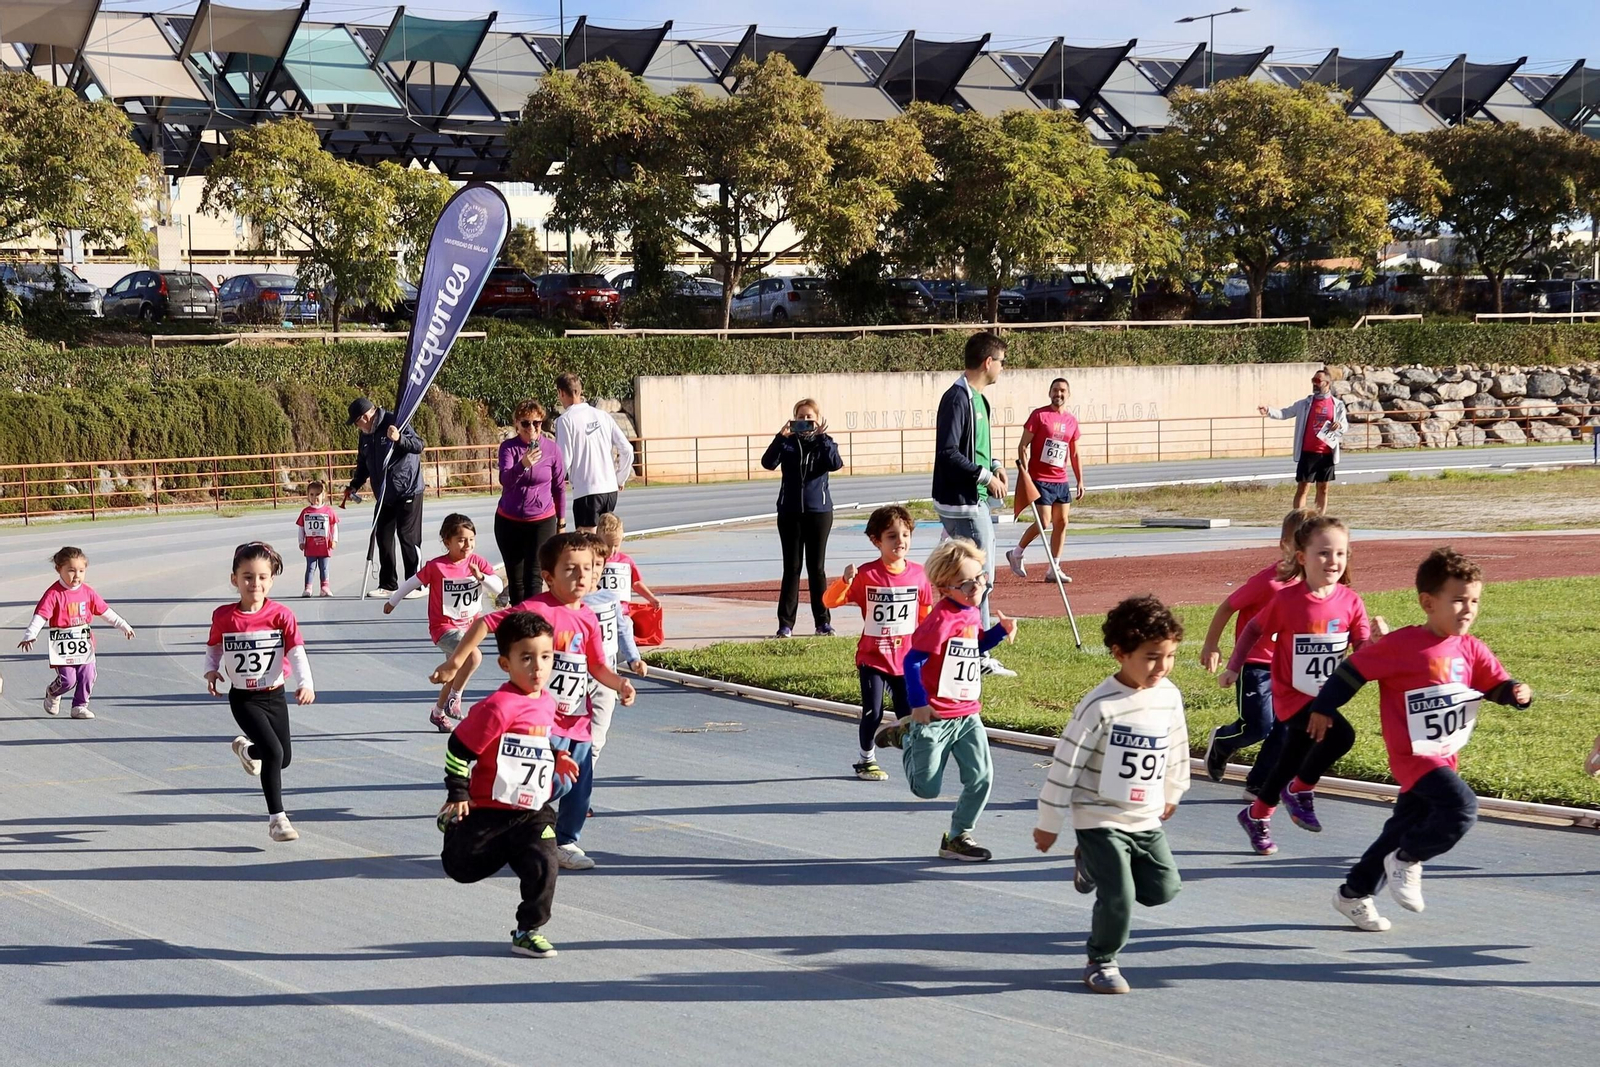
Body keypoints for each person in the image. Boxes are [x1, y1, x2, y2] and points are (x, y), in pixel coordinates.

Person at [1320, 548, 1532, 931]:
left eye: (1474, 601)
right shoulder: (1402, 646)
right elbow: (1351, 671)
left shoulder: (1470, 648)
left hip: (1444, 754)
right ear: (1427, 602)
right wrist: (1323, 708)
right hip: (1413, 755)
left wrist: (1515, 692)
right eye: (1457, 600)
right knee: (1461, 809)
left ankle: (1353, 894)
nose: (1467, 609)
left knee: (1403, 825)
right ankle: (1408, 859)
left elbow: (1494, 684)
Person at [431, 532, 637, 872]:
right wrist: (455, 662)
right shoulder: (535, 610)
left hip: (577, 719)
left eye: (588, 568)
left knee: (579, 785)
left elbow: (597, 664)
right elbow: (485, 622)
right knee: (542, 782)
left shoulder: (587, 617)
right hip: (539, 720)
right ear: (548, 576)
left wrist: (620, 684)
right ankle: (494, 819)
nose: (582, 576)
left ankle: (566, 841)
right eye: (570, 569)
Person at [1033, 594, 1190, 995]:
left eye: (1169, 656)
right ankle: (1101, 961)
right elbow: (1065, 765)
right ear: (1120, 653)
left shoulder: (1168, 696)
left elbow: (1176, 745)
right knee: (1118, 895)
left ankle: (1088, 864)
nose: (1162, 666)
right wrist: (1049, 824)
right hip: (1098, 816)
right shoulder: (1099, 706)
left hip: (1144, 815)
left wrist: (1174, 789)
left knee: (1162, 889)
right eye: (1152, 656)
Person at [1221, 515, 1383, 856]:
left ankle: (1257, 815)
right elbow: (1252, 629)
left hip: (1323, 695)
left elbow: (1362, 651)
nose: (1333, 561)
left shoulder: (1351, 602)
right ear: (1302, 558)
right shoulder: (1287, 600)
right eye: (1324, 553)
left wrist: (1379, 641)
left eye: (1340, 553)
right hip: (1291, 696)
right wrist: (1234, 667)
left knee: (1288, 760)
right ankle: (1301, 790)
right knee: (1342, 736)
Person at [438, 610, 581, 959]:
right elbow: (458, 749)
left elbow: (534, 739)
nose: (538, 668)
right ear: (505, 663)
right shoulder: (497, 707)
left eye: (546, 657)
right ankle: (454, 827)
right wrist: (458, 793)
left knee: (545, 866)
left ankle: (527, 930)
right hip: (487, 809)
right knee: (462, 869)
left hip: (531, 811)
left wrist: (556, 755)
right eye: (527, 658)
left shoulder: (546, 701)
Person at [874, 537, 1015, 862]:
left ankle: (957, 837)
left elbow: (974, 647)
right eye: (966, 584)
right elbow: (912, 660)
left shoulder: (970, 612)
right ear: (944, 587)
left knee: (981, 778)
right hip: (933, 716)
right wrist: (918, 703)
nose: (976, 587)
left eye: (980, 578)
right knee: (926, 789)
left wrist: (999, 632)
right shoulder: (940, 620)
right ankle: (906, 734)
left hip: (967, 716)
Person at [1198, 509, 1315, 794]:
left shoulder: (1313, 586)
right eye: (1299, 546)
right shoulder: (1269, 582)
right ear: (1284, 546)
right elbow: (1228, 606)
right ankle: (1224, 741)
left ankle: (1260, 782)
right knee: (1259, 726)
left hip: (1289, 667)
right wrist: (1211, 644)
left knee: (1286, 728)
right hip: (1255, 664)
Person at [205, 542, 315, 843]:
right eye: (247, 577)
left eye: (262, 577)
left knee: (283, 758)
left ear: (271, 580)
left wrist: (305, 683)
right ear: (234, 579)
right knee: (274, 753)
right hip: (244, 698)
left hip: (275, 695)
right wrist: (211, 670)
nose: (255, 583)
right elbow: (214, 646)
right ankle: (277, 820)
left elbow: (296, 650)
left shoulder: (281, 615)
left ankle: (246, 750)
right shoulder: (225, 616)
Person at [822, 504, 935, 781]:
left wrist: (930, 649)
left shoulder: (919, 575)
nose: (901, 542)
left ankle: (913, 759)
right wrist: (844, 582)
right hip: (873, 658)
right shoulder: (867, 574)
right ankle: (866, 760)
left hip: (906, 661)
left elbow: (925, 615)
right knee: (873, 711)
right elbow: (830, 601)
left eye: (905, 535)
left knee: (909, 715)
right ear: (876, 541)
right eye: (892, 536)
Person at [932, 332, 1014, 677]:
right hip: (962, 502)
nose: (1003, 369)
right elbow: (949, 454)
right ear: (988, 362)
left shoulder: (980, 400)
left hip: (975, 498)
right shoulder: (957, 398)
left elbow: (979, 445)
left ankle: (967, 647)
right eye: (1002, 362)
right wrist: (985, 477)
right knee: (979, 578)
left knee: (976, 577)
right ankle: (976, 655)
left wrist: (995, 464)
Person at [385, 514, 505, 732]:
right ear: (446, 542)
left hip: (469, 629)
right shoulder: (437, 566)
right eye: (461, 540)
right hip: (444, 629)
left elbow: (498, 588)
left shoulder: (477, 562)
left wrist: (482, 578)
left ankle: (438, 713)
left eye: (471, 539)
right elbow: (412, 582)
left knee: (454, 671)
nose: (467, 545)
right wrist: (393, 601)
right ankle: (454, 699)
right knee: (474, 656)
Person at [18, 546, 136, 719]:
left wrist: (123, 625)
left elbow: (104, 611)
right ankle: (53, 692)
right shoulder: (53, 594)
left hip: (84, 643)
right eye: (71, 570)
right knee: (68, 680)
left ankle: (79, 706)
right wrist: (31, 634)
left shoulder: (88, 592)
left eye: (81, 571)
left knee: (88, 675)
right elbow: (41, 615)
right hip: (62, 645)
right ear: (59, 569)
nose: (77, 575)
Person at [761, 398, 844, 638]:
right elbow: (768, 463)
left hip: (819, 513)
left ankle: (823, 623)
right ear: (794, 419)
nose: (805, 422)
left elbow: (835, 464)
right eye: (801, 417)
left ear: (818, 420)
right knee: (792, 568)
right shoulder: (787, 444)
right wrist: (780, 437)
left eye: (810, 418)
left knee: (816, 569)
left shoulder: (825, 443)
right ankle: (785, 625)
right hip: (790, 513)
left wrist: (822, 439)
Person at [341, 396, 426, 598]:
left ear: (365, 416)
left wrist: (399, 439)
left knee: (408, 537)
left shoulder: (395, 420)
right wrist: (354, 485)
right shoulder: (366, 434)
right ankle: (388, 584)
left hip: (408, 489)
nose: (356, 426)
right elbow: (364, 463)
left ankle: (417, 584)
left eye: (356, 422)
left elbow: (419, 445)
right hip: (384, 493)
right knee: (383, 536)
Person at [1007, 377, 1083, 583]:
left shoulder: (1071, 421)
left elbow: (1074, 453)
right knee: (1044, 521)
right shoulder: (1039, 416)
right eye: (1055, 390)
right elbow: (1022, 446)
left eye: (1063, 391)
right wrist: (1024, 473)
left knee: (1062, 522)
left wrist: (1080, 480)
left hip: (1061, 480)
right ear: (1050, 393)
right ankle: (1016, 554)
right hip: (1039, 478)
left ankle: (1054, 568)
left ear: (1068, 395)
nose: (1059, 394)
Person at [581, 532, 646, 769]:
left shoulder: (609, 598)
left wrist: (633, 658)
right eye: (588, 565)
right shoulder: (567, 602)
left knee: (597, 738)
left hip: (605, 677)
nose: (593, 571)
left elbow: (622, 628)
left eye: (598, 565)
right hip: (572, 678)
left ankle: (581, 792)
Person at [495, 399, 566, 603]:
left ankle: (533, 627)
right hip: (509, 521)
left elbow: (559, 487)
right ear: (516, 424)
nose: (532, 428)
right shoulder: (509, 448)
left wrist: (561, 523)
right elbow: (505, 481)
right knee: (516, 581)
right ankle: (518, 629)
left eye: (537, 423)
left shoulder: (552, 449)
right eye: (526, 423)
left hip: (541, 520)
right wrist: (523, 464)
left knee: (534, 577)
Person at [1260, 368, 1348, 513]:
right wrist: (1269, 410)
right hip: (1308, 452)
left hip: (1326, 453)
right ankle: (1299, 519)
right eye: (1313, 380)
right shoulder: (1305, 403)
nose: (1314, 384)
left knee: (1323, 488)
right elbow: (1285, 413)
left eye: (1318, 381)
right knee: (1303, 487)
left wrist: (1339, 425)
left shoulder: (1337, 405)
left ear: (1327, 383)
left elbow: (1344, 426)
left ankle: (1319, 520)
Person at [554, 373, 634, 532]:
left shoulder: (565, 420)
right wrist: (620, 479)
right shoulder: (603, 416)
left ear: (561, 393)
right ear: (580, 390)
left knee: (588, 546)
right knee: (605, 542)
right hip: (610, 491)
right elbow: (627, 449)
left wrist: (553, 487)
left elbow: (564, 460)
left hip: (587, 491)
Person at [595, 513, 660, 619]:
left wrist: (651, 598)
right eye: (608, 545)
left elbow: (636, 583)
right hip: (598, 611)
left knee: (627, 630)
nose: (612, 550)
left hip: (622, 612)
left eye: (616, 545)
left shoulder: (626, 561)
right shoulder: (593, 560)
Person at [295, 480, 340, 598]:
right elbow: (301, 528)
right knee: (310, 567)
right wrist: (301, 542)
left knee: (324, 567)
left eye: (318, 494)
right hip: (311, 546)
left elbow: (334, 526)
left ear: (323, 495)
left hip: (324, 546)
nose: (315, 497)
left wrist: (334, 540)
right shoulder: (306, 512)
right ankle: (308, 588)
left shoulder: (329, 511)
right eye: (311, 494)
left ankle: (324, 587)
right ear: (308, 495)